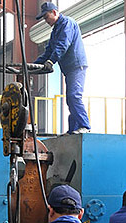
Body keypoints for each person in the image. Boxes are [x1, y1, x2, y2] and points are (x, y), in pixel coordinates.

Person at [34, 1, 91, 134]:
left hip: (76, 66)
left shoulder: (67, 23)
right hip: (69, 69)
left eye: (46, 17)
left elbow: (63, 44)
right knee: (70, 99)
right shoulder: (55, 31)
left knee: (74, 96)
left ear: (54, 12)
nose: (46, 21)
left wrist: (51, 61)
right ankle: (73, 130)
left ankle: (85, 126)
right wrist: (32, 66)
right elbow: (49, 51)